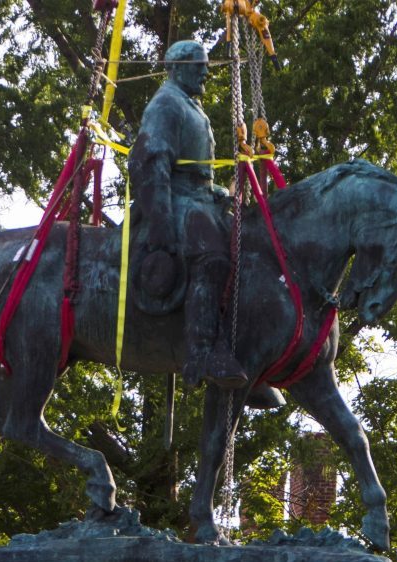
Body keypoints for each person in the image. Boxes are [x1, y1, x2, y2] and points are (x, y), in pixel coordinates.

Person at [127, 40, 248, 389]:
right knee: (212, 258)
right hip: (174, 200)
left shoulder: (190, 105)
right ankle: (202, 352)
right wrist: (160, 220)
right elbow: (152, 163)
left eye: (205, 65)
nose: (205, 71)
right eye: (198, 65)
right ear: (177, 66)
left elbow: (198, 171)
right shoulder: (166, 104)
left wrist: (216, 192)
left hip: (198, 197)